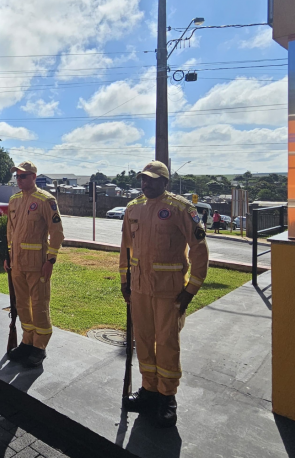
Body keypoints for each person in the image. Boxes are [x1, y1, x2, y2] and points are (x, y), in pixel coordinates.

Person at [119, 161, 209, 428]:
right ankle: (149, 390)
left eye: (152, 180)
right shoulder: (133, 208)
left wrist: (191, 289)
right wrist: (125, 281)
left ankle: (167, 398)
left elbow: (199, 249)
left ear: (165, 182)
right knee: (143, 340)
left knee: (167, 343)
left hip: (169, 291)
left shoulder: (181, 208)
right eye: (143, 179)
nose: (146, 183)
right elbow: (126, 247)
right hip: (139, 288)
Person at [4, 161, 65, 368]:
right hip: (17, 264)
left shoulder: (45, 200)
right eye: (17, 176)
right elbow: (10, 232)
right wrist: (8, 256)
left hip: (37, 264)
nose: (19, 180)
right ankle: (27, 341)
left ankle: (39, 347)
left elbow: (57, 233)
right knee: (22, 304)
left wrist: (51, 260)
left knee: (39, 305)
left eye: (23, 176)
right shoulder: (14, 201)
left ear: (34, 177)